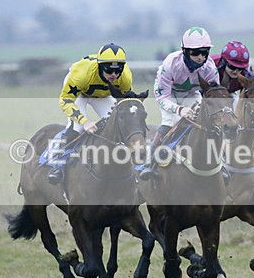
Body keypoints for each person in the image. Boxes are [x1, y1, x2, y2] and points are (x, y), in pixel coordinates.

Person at [138, 26, 219, 181]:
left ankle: (219, 161)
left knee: (204, 121)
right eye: (195, 53)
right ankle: (149, 161)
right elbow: (163, 98)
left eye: (204, 52)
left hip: (191, 94)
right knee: (170, 121)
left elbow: (212, 96)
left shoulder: (210, 68)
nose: (200, 57)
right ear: (185, 51)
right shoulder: (171, 63)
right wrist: (179, 109)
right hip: (169, 94)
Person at [47, 43, 132, 185]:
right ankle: (58, 164)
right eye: (109, 70)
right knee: (78, 127)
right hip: (80, 93)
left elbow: (126, 104)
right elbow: (65, 101)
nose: (113, 75)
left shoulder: (125, 77)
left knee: (119, 123)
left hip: (102, 96)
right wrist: (84, 121)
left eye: (118, 70)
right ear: (100, 66)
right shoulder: (81, 75)